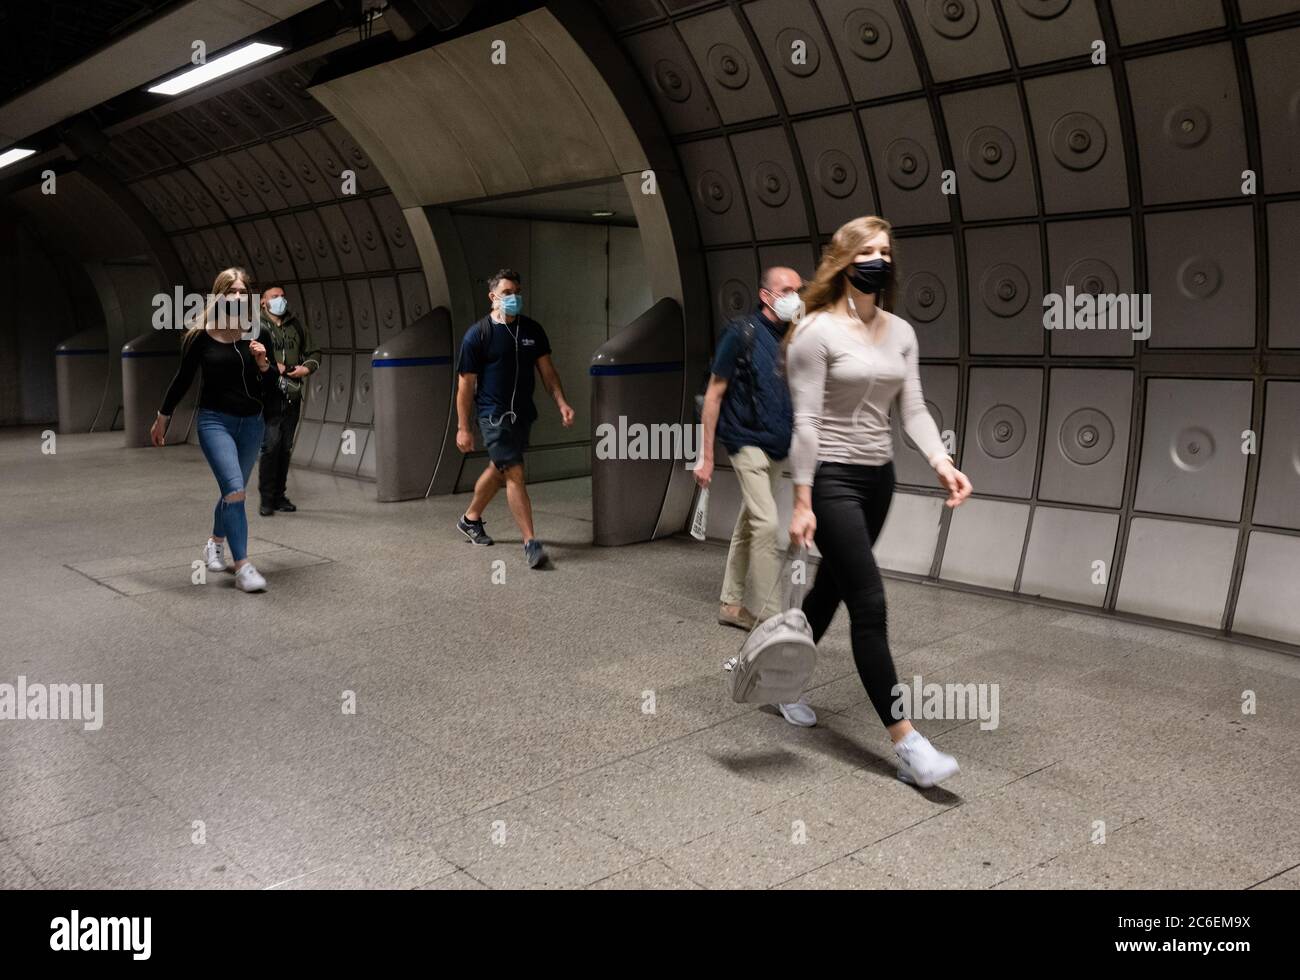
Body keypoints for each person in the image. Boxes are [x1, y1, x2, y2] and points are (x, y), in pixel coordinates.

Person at [785, 216, 974, 787]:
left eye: (886, 250)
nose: (878, 259)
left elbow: (911, 410)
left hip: (878, 479)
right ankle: (909, 745)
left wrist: (942, 462)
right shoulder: (814, 332)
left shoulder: (901, 332)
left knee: (832, 586)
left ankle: (783, 677)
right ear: (844, 261)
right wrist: (801, 498)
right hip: (832, 478)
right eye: (866, 250)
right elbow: (806, 421)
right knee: (869, 603)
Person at [696, 266, 814, 727]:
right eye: (787, 291)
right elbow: (714, 394)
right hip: (743, 440)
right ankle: (769, 623)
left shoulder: (795, 337)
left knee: (750, 519)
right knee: (767, 525)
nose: (794, 298)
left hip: (777, 444)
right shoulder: (740, 333)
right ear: (766, 294)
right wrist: (705, 456)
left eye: (799, 291)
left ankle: (730, 603)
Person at [151, 268, 277, 593]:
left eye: (241, 291)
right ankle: (244, 566)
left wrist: (263, 364)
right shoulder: (199, 336)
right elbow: (183, 379)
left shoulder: (259, 333)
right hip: (214, 422)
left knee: (231, 493)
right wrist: (163, 415)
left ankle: (214, 542)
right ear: (219, 296)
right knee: (235, 490)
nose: (237, 296)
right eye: (230, 291)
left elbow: (271, 384)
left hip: (252, 422)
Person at [454, 268, 575, 568]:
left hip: (523, 414)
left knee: (500, 469)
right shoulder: (478, 335)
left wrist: (561, 403)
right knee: (515, 471)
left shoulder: (531, 330)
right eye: (507, 293)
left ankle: (470, 519)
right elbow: (465, 385)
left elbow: (548, 373)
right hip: (492, 416)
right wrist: (462, 428)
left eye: (517, 292)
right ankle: (531, 543)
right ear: (492, 297)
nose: (514, 297)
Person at [256, 286, 319, 517]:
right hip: (269, 396)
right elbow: (249, 355)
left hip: (292, 394)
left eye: (282, 296)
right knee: (270, 446)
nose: (280, 300)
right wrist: (275, 366)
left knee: (285, 448)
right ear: (263, 302)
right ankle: (267, 498)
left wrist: (306, 368)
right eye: (274, 297)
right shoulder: (257, 326)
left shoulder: (296, 325)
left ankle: (280, 496)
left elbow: (315, 352)